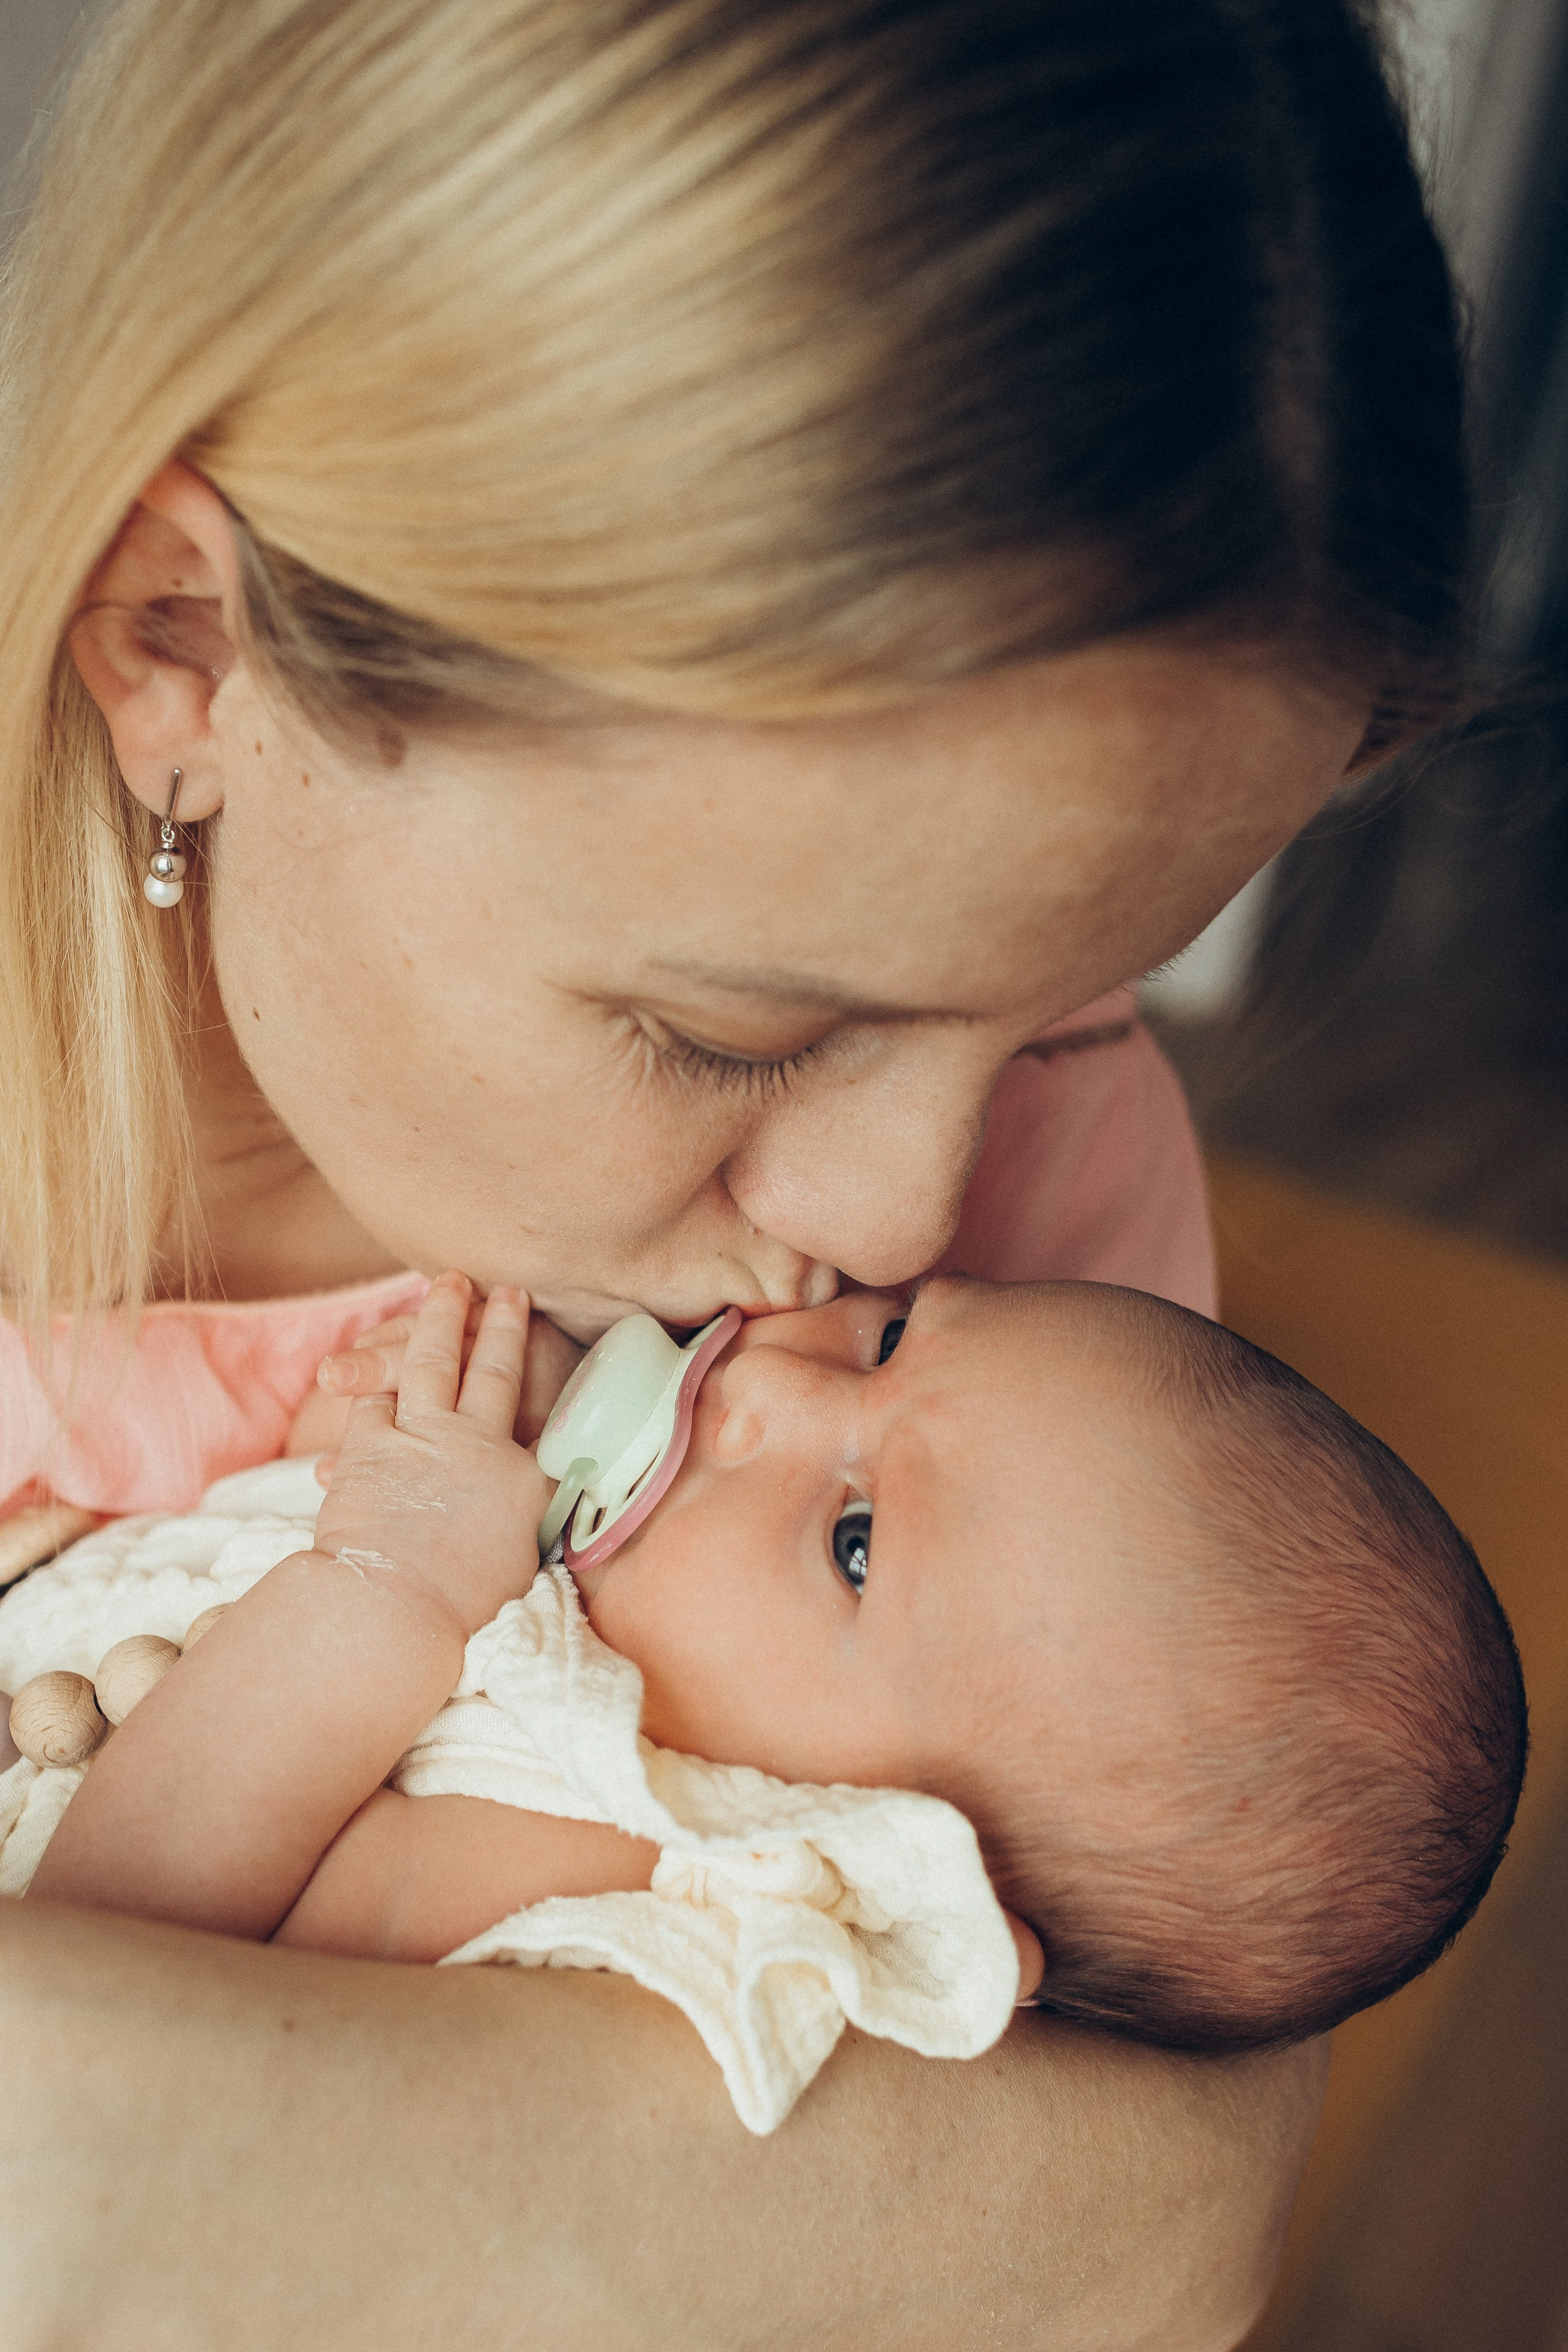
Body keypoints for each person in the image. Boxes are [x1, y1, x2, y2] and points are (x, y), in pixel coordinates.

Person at [0, 0, 1472, 2340]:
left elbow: (1161, 2195)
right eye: (740, 1027)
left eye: (1087, 983)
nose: (907, 1222)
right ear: (188, 647)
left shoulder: (1043, 1213)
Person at [11, 1272, 1525, 2142]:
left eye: (854, 1539)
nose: (761, 1392)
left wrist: (386, 1579)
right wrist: (444, 1447)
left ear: (883, 1844)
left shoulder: (594, 1842)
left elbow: (114, 1952)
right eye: (892, 1337)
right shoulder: (639, 1623)